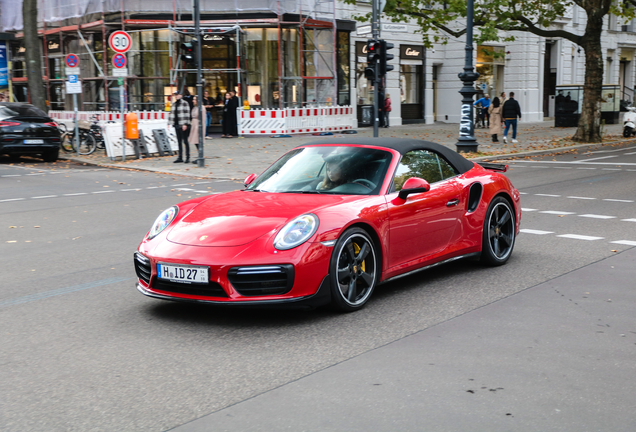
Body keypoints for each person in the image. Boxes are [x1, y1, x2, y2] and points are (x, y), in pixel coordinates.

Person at [168, 91, 191, 163]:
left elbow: (187, 114)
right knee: (179, 141)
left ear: (181, 95)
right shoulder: (174, 104)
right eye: (175, 95)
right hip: (176, 124)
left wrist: (185, 124)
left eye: (177, 95)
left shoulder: (185, 103)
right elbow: (172, 114)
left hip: (183, 124)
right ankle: (180, 157)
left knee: (185, 141)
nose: (176, 96)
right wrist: (169, 123)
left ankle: (187, 157)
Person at [188, 96, 201, 164]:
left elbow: (202, 119)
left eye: (194, 100)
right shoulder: (195, 108)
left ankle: (200, 156)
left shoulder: (201, 108)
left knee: (197, 141)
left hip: (197, 126)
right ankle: (199, 155)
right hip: (194, 125)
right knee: (195, 142)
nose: (193, 101)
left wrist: (200, 128)